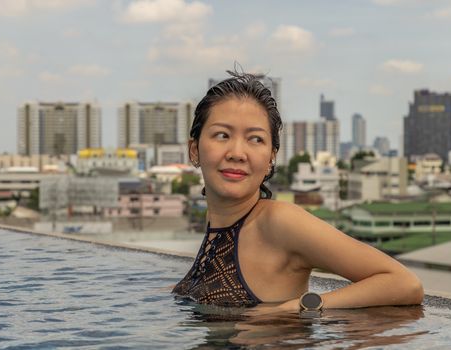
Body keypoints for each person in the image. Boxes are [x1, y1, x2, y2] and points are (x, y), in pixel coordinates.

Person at [172, 70, 424, 314]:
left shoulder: (278, 222)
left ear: (271, 157)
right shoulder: (219, 220)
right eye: (222, 135)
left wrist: (301, 306)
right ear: (194, 150)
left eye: (255, 139)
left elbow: (404, 283)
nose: (237, 152)